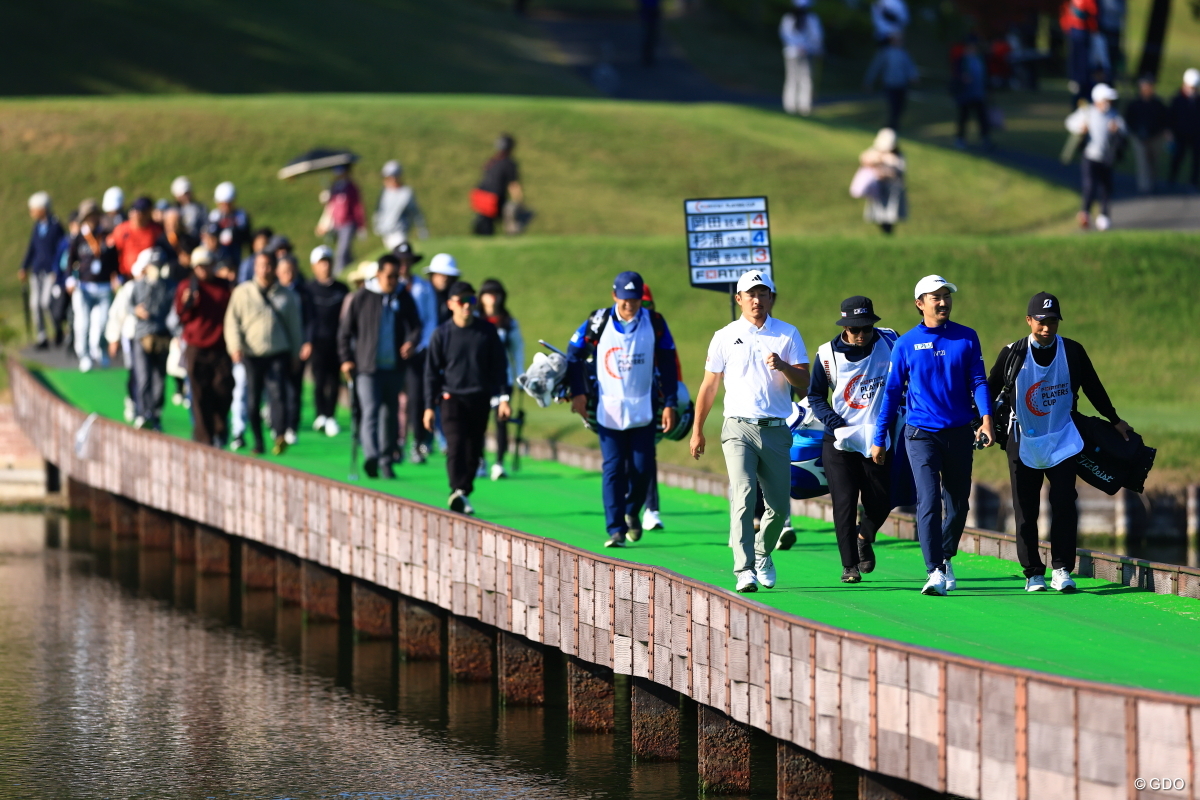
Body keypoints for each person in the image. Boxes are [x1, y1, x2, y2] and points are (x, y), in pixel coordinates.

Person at [988, 292, 1130, 594]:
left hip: (1062, 436)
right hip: (1022, 438)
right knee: (1026, 508)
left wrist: (1115, 420)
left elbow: (1094, 387)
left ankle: (1062, 568)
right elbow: (988, 389)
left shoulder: (1073, 352)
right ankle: (1033, 573)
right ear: (1029, 321)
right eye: (1041, 321)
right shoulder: (1013, 354)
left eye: (1052, 321)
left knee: (1065, 503)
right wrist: (982, 424)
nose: (1046, 327)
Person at [870, 275, 994, 596]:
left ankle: (946, 555)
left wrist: (987, 419)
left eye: (946, 296)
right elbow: (893, 391)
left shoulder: (966, 338)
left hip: (959, 432)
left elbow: (978, 381)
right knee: (928, 500)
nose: (942, 302)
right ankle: (934, 570)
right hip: (920, 433)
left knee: (957, 505)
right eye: (935, 297)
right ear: (919, 303)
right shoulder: (906, 343)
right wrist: (879, 436)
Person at [689, 270, 808, 593]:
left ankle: (761, 553)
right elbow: (710, 386)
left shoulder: (788, 334)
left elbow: (805, 382)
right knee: (743, 495)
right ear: (738, 299)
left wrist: (784, 367)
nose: (757, 300)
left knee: (780, 506)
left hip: (775, 430)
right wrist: (697, 430)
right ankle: (744, 569)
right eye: (750, 294)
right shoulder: (725, 335)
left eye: (763, 293)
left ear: (771, 297)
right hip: (738, 428)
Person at [567, 271, 678, 547]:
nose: (630, 304)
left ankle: (632, 511)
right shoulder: (598, 321)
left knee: (642, 469)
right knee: (613, 468)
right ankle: (615, 529)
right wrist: (578, 394)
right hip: (609, 408)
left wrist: (671, 403)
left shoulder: (655, 322)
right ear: (615, 295)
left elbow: (667, 363)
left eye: (635, 299)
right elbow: (573, 354)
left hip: (644, 408)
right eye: (625, 299)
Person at [808, 297, 899, 583]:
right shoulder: (826, 355)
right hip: (839, 442)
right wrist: (834, 422)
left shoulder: (890, 341)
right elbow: (815, 396)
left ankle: (864, 536)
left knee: (883, 499)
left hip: (878, 438)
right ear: (844, 327)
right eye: (855, 329)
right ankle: (849, 566)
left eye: (867, 328)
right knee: (844, 503)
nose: (862, 335)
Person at [424, 281, 513, 513]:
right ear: (451, 304)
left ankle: (463, 492)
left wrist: (504, 397)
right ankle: (456, 489)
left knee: (474, 448)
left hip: (480, 397)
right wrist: (429, 406)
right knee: (456, 445)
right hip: (451, 398)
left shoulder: (487, 332)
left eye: (471, 301)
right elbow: (431, 373)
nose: (467, 306)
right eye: (462, 301)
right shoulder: (441, 334)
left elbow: (500, 366)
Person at [338, 254, 423, 479]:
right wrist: (346, 358)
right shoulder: (362, 297)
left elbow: (416, 326)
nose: (393, 280)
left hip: (394, 367)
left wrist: (411, 342)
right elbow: (345, 333)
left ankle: (387, 459)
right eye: (389, 276)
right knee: (371, 411)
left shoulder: (403, 297)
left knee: (390, 414)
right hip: (367, 367)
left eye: (397, 276)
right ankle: (371, 456)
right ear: (378, 274)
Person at [223, 251, 303, 456]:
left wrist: (296, 353)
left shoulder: (286, 295)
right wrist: (235, 347)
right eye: (261, 265)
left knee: (278, 394)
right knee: (252, 398)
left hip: (278, 351)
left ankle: (279, 434)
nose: (265, 270)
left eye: (269, 265)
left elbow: (295, 326)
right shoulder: (243, 292)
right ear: (255, 267)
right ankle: (258, 441)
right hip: (252, 353)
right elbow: (232, 322)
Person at [175, 247, 233, 446]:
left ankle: (219, 427)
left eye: (207, 266)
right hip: (196, 347)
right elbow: (180, 316)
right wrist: (187, 304)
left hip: (221, 346)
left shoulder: (224, 287)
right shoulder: (187, 287)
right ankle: (204, 437)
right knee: (199, 395)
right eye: (199, 267)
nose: (203, 270)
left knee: (223, 389)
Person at [478, 279, 525, 480]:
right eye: (488, 293)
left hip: (502, 380)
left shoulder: (508, 322)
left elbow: (517, 350)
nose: (492, 298)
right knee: (478, 423)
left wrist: (520, 375)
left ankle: (499, 463)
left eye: (496, 293)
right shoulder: (475, 318)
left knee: (501, 422)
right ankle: (479, 461)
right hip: (478, 380)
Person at [128, 249, 178, 430]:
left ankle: (156, 415)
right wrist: (136, 311)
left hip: (162, 336)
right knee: (143, 378)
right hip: (141, 336)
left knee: (159, 379)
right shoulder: (138, 285)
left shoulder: (171, 286)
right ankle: (143, 413)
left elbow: (174, 312)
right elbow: (129, 305)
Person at [397, 243, 438, 463]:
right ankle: (394, 443)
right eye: (400, 261)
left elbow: (430, 319)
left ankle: (417, 442)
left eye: (407, 262)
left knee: (416, 398)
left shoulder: (423, 287)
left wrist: (419, 345)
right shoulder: (389, 286)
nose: (404, 266)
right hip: (392, 351)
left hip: (418, 350)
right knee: (392, 399)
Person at [67, 200, 117, 372]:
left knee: (103, 323)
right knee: (84, 324)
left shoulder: (106, 235)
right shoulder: (79, 238)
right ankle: (85, 355)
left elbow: (113, 260)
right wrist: (70, 279)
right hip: (85, 286)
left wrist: (115, 276)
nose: (93, 219)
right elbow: (70, 260)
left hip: (103, 286)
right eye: (89, 216)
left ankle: (101, 350)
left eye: (95, 215)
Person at [1066, 83, 1125, 231]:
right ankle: (1085, 213)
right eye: (1106, 99)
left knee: (1106, 188)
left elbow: (1124, 129)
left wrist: (1117, 129)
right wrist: (1081, 127)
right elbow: (1069, 122)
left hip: (1107, 158)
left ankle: (1104, 216)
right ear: (1098, 99)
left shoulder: (1113, 114)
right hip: (1090, 156)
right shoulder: (1088, 112)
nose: (1109, 103)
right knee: (1090, 186)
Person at [306, 245, 349, 438]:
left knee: (334, 380)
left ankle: (330, 416)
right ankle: (320, 414)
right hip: (316, 343)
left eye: (328, 262)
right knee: (319, 380)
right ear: (314, 266)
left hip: (337, 342)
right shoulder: (308, 289)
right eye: (321, 263)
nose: (325, 266)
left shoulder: (341, 289)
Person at [20, 191, 66, 349]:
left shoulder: (56, 226)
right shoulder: (37, 227)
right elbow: (31, 248)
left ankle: (57, 330)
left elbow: (62, 250)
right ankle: (42, 337)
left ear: (43, 208)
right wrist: (24, 267)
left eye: (34, 209)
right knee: (35, 305)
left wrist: (57, 269)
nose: (31, 212)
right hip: (37, 271)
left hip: (51, 272)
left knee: (46, 303)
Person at [275, 254, 311, 445]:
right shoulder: (272, 292)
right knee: (276, 389)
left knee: (294, 389)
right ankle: (278, 425)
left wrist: (307, 342)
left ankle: (291, 427)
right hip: (277, 348)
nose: (288, 275)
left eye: (291, 271)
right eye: (284, 271)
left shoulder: (303, 293)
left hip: (298, 347)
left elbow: (310, 320)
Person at [471, 134, 523, 236]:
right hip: (493, 198)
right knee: (509, 216)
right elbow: (513, 185)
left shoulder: (492, 161)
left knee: (486, 223)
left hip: (480, 195)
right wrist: (519, 201)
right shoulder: (509, 163)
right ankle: (511, 233)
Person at [1125, 76, 1170, 194]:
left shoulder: (1158, 104)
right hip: (1138, 137)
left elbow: (1164, 120)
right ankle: (1145, 187)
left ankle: (1153, 182)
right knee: (1142, 161)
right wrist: (1136, 133)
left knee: (1153, 161)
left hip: (1155, 137)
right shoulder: (1135, 104)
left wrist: (1163, 132)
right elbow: (1129, 120)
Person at [317, 164, 365, 276]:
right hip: (337, 225)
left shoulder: (351, 187)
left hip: (348, 224)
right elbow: (330, 208)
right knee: (346, 253)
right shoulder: (334, 187)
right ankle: (353, 268)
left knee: (341, 252)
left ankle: (338, 275)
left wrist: (361, 225)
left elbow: (357, 207)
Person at [858, 128, 908, 234]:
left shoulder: (898, 155)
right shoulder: (874, 151)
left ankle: (888, 232)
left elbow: (900, 170)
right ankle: (885, 232)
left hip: (892, 188)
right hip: (878, 187)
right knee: (878, 213)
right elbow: (864, 159)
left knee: (890, 213)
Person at [864, 34, 918, 132]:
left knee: (899, 108)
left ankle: (894, 128)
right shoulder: (885, 53)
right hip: (889, 85)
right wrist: (869, 81)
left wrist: (913, 76)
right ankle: (889, 129)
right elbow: (876, 67)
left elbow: (910, 67)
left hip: (902, 85)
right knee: (892, 108)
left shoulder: (904, 53)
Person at [780, 0, 824, 117]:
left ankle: (801, 106)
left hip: (801, 53)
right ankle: (795, 106)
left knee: (800, 80)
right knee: (799, 80)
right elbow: (786, 35)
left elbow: (816, 37)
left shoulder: (807, 19)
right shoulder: (791, 18)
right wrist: (803, 47)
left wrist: (808, 47)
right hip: (795, 53)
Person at [374, 160, 429, 250]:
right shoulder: (384, 192)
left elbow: (415, 212)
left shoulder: (406, 193)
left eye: (390, 177)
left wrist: (422, 229)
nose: (388, 180)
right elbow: (379, 210)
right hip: (386, 232)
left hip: (399, 232)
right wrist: (377, 225)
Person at [951, 37, 992, 149]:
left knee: (982, 117)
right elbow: (956, 74)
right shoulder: (962, 60)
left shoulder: (980, 59)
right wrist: (962, 78)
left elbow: (984, 76)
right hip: (966, 94)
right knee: (964, 117)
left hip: (979, 94)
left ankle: (985, 138)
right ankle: (960, 139)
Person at [110, 197, 164, 279]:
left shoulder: (156, 230)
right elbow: (112, 253)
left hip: (147, 276)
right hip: (125, 276)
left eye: (141, 211)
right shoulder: (121, 230)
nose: (137, 214)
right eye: (134, 210)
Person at [1060, 0, 1099, 106]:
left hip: (1083, 33)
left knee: (1083, 64)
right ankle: (1076, 83)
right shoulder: (1070, 3)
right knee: (1075, 60)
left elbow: (1092, 12)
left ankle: (1082, 86)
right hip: (1074, 31)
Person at [1168, 68, 1200, 190]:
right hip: (1180, 134)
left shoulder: (1198, 100)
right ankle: (1172, 180)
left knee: (1196, 159)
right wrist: (1170, 132)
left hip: (1196, 134)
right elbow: (1171, 116)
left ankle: (1193, 182)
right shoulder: (1177, 99)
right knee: (1177, 157)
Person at [209, 181, 252, 267]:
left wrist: (234, 233)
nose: (225, 207)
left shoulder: (241, 216)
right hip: (218, 257)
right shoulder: (214, 216)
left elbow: (246, 236)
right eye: (222, 204)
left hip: (236, 255)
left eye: (228, 204)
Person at [425, 252, 462, 325]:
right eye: (440, 274)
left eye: (448, 275)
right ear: (432, 275)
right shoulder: (423, 296)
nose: (444, 279)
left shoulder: (457, 297)